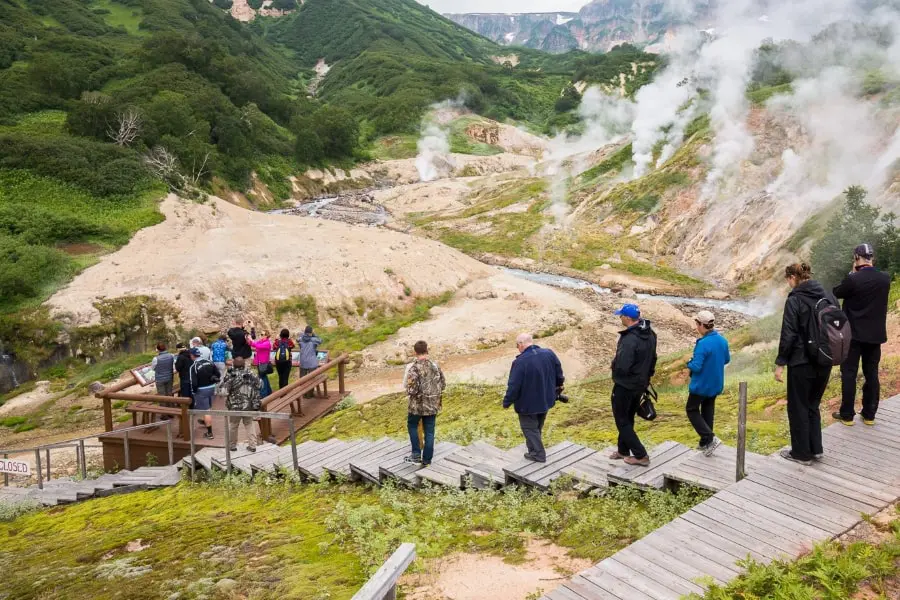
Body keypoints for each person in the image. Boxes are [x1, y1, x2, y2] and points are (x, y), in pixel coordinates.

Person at [775, 263, 836, 466]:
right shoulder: (827, 295)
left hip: (801, 362)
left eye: (788, 279)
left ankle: (801, 454)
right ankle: (816, 449)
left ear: (793, 277)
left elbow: (789, 333)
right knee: (812, 405)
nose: (788, 284)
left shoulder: (795, 299)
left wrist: (781, 362)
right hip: (825, 360)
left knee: (798, 406)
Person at [832, 243, 891, 426]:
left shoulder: (853, 279)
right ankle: (869, 414)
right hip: (875, 335)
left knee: (849, 373)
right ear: (872, 257)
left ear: (857, 258)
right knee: (871, 373)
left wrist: (851, 274)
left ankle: (847, 415)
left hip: (854, 336)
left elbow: (837, 292)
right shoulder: (885, 278)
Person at [503, 333, 565, 463]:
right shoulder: (549, 353)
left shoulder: (520, 362)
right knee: (537, 427)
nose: (517, 348)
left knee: (529, 428)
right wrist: (559, 385)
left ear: (521, 344)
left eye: (516, 345)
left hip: (527, 404)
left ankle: (538, 454)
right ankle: (532, 450)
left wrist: (507, 401)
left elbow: (514, 385)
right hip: (546, 399)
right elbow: (559, 372)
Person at [610, 304, 657, 467]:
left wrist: (614, 369)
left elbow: (623, 365)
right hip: (640, 384)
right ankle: (623, 450)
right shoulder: (650, 333)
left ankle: (641, 455)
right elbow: (653, 358)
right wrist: (647, 376)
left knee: (621, 420)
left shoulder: (630, 339)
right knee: (628, 417)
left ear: (628, 318)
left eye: (621, 315)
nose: (620, 317)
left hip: (625, 385)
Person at [685, 310, 730, 457]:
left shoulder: (703, 344)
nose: (696, 327)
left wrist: (689, 363)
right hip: (715, 383)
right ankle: (706, 443)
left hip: (701, 385)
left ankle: (710, 438)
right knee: (707, 409)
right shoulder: (722, 340)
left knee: (691, 409)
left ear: (701, 325)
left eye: (697, 324)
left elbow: (696, 366)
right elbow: (726, 360)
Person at [404, 341, 445, 466]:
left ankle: (416, 454)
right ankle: (427, 460)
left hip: (417, 406)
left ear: (415, 352)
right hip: (433, 405)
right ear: (427, 350)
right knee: (430, 431)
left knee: (412, 425)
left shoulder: (414, 368)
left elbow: (412, 389)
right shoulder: (435, 366)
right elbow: (443, 384)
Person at [217, 356, 262, 452]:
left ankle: (232, 446)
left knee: (233, 425)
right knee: (249, 424)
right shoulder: (250, 374)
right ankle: (253, 445)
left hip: (234, 406)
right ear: (244, 364)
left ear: (233, 365)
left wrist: (223, 383)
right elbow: (260, 385)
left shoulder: (231, 375)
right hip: (249, 405)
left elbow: (223, 392)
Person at [189, 348, 220, 440]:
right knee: (208, 407)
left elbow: (193, 382)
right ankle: (206, 421)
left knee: (206, 410)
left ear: (192, 355)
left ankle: (210, 433)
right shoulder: (209, 362)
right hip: (212, 388)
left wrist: (193, 392)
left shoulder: (193, 367)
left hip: (201, 390)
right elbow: (218, 374)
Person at [298, 326, 323, 399]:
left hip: (302, 362)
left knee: (302, 379)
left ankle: (303, 394)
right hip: (312, 362)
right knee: (312, 379)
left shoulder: (301, 339)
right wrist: (314, 335)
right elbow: (320, 340)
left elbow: (298, 339)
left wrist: (303, 335)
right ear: (311, 332)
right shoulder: (314, 339)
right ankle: (309, 394)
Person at [251, 332, 273, 398]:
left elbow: (258, 346)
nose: (260, 335)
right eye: (261, 334)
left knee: (262, 377)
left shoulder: (267, 343)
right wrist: (248, 340)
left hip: (263, 362)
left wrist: (251, 341)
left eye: (262, 334)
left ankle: (263, 394)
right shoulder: (261, 342)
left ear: (266, 336)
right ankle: (268, 391)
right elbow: (253, 344)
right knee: (264, 376)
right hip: (260, 362)